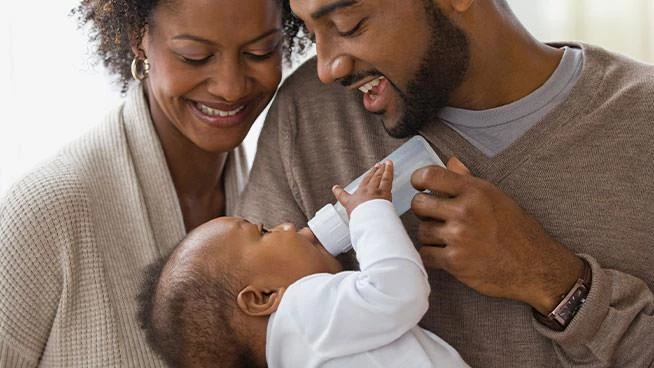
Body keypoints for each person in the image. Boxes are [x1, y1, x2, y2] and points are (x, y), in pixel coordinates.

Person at [236, 0, 654, 367]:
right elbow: (237, 333)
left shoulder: (642, 120)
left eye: (349, 25)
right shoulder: (311, 117)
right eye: (311, 32)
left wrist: (550, 279)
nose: (328, 69)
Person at [0, 0, 309, 366]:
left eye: (260, 51)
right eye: (194, 56)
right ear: (137, 39)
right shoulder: (47, 212)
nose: (230, 87)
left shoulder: (282, 194)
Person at [138, 161, 471, 368]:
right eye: (263, 231)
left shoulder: (298, 352)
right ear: (264, 297)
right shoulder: (300, 314)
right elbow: (398, 289)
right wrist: (368, 211)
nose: (285, 226)